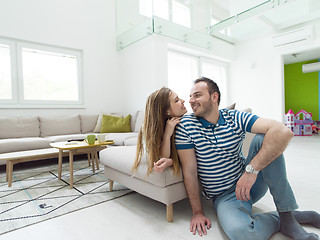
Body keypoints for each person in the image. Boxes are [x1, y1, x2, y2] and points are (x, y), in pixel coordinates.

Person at [175, 77, 320, 240]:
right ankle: (287, 219)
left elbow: (283, 132)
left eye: (197, 95)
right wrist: (197, 213)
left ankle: (287, 218)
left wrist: (251, 171)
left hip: (251, 181)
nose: (191, 101)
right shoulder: (186, 125)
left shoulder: (233, 117)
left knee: (265, 138)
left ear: (214, 97)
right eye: (190, 96)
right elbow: (190, 172)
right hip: (224, 196)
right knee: (243, 234)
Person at [132, 87, 187, 176]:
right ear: (166, 111)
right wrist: (167, 134)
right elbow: (161, 158)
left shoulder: (186, 121)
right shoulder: (148, 128)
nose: (183, 100)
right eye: (176, 100)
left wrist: (171, 161)